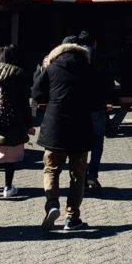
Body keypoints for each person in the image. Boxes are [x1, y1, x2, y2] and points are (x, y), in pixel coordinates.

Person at [32, 36, 94, 231]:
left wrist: (41, 71)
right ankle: (72, 217)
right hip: (80, 127)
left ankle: (52, 204)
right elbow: (99, 94)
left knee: (51, 169)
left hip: (54, 127)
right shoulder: (89, 69)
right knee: (77, 174)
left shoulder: (51, 68)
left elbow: (37, 94)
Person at [0, 46, 33, 199]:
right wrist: (29, 124)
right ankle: (8, 188)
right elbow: (23, 103)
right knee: (11, 156)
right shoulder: (18, 75)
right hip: (13, 122)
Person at [78, 31, 115, 192]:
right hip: (97, 106)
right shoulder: (101, 58)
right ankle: (92, 174)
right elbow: (109, 83)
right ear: (95, 43)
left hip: (79, 107)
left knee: (80, 144)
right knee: (97, 143)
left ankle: (80, 177)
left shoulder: (75, 58)